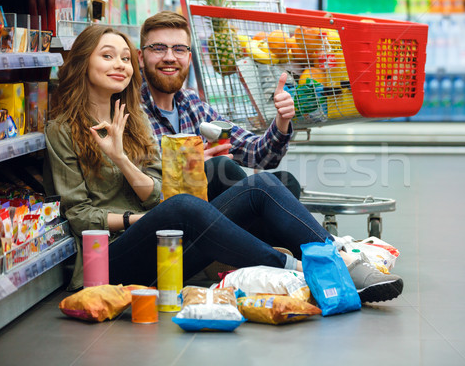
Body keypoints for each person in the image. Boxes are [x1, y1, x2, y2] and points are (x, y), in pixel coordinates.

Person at [43, 25, 403, 304]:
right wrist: (146, 217)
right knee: (186, 203)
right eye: (108, 56)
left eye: (123, 58)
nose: (119, 65)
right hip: (108, 259)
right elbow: (78, 215)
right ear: (83, 61)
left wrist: (122, 158)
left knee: (262, 186)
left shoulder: (133, 120)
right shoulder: (62, 130)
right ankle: (304, 272)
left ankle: (338, 258)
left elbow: (155, 196)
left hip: (166, 245)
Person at [138, 11, 300, 200]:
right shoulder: (131, 113)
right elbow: (138, 189)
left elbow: (259, 155)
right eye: (158, 48)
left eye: (179, 49)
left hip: (211, 216)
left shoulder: (192, 106)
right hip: (170, 219)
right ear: (141, 58)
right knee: (220, 169)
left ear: (189, 59)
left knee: (285, 183)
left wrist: (282, 120)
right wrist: (192, 170)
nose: (169, 57)